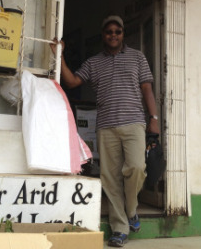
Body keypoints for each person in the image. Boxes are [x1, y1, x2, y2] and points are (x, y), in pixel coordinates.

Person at [51, 15, 159, 248]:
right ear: (103, 35)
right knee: (110, 179)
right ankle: (120, 229)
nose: (113, 35)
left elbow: (147, 88)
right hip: (106, 126)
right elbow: (72, 82)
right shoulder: (93, 62)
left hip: (134, 123)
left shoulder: (137, 57)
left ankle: (131, 209)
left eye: (117, 31)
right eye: (109, 31)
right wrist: (58, 56)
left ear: (123, 35)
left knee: (137, 168)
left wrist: (154, 118)